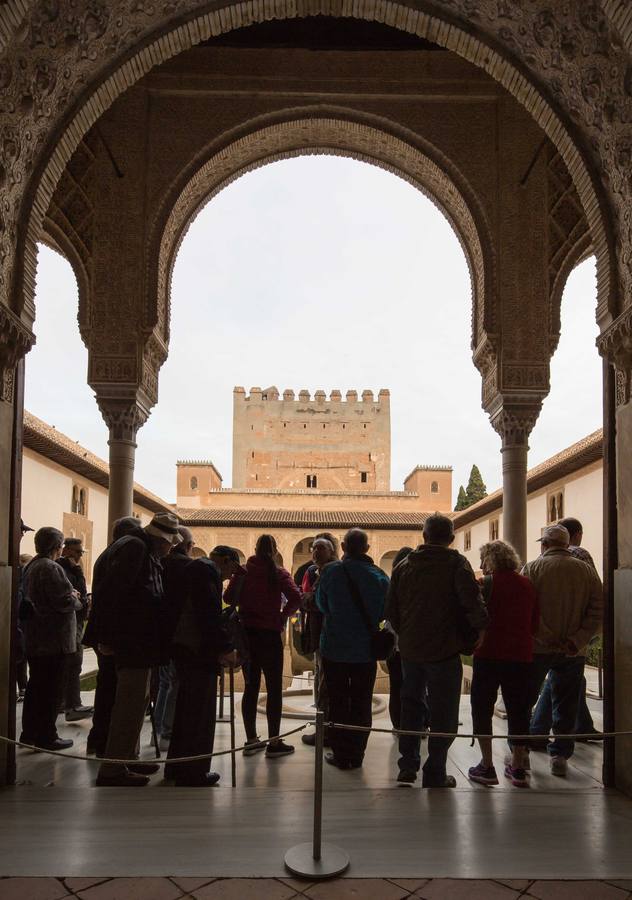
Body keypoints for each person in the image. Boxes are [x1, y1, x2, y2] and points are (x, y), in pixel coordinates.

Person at [386, 513, 488, 787]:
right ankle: (435, 771)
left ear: (424, 536)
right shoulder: (456, 563)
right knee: (443, 711)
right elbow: (472, 602)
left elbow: (391, 611)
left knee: (411, 706)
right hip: (445, 650)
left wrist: (406, 634)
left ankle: (407, 765)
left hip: (411, 650)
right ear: (452, 539)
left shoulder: (404, 566)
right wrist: (480, 630)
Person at [96, 512, 182, 787]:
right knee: (128, 703)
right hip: (131, 641)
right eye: (170, 542)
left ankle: (127, 759)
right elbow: (114, 594)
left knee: (137, 701)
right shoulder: (135, 547)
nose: (172, 547)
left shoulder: (140, 547)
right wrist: (108, 637)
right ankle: (113, 769)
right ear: (161, 539)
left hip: (137, 641)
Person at [522, 523, 603, 777]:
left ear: (544, 545)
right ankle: (560, 757)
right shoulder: (586, 572)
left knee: (525, 700)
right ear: (567, 545)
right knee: (566, 705)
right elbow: (597, 610)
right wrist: (575, 640)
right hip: (573, 651)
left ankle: (521, 753)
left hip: (537, 648)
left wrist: (547, 638)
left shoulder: (532, 568)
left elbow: (526, 611)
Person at [316, 528, 389, 769]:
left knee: (337, 702)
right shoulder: (379, 576)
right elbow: (384, 613)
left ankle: (340, 753)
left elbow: (321, 605)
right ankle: (357, 754)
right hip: (365, 651)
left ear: (344, 547)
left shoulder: (330, 572)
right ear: (367, 549)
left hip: (335, 648)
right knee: (361, 702)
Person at [468, 540, 539, 788]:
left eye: (483, 560)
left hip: (488, 655)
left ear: (491, 560)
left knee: (481, 706)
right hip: (521, 656)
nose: (480, 565)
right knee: (519, 709)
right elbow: (535, 624)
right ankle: (518, 767)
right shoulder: (528, 585)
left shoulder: (484, 584)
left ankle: (487, 765)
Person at [224, 533, 302, 758]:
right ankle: (274, 742)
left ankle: (250, 740)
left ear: (256, 549)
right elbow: (296, 598)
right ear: (275, 550)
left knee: (251, 687)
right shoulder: (278, 573)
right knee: (274, 689)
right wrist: (282, 616)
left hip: (247, 635)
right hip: (269, 636)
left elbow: (229, 599)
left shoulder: (243, 573)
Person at [166, 551, 236, 786]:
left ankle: (176, 768)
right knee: (200, 713)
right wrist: (225, 648)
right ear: (226, 561)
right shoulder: (206, 572)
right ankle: (193, 772)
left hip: (185, 650)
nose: (229, 578)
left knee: (186, 710)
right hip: (199, 653)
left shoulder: (198, 569)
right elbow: (207, 616)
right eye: (231, 571)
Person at [83, 516, 143, 757]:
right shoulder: (125, 552)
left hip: (106, 635)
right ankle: (112, 751)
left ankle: (101, 741)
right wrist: (108, 638)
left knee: (107, 689)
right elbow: (114, 595)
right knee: (115, 692)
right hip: (113, 638)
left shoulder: (108, 553)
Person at [19, 526, 83, 751]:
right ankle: (47, 735)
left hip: (35, 638)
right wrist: (76, 597)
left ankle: (29, 733)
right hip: (54, 640)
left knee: (36, 688)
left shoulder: (31, 566)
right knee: (51, 691)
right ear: (57, 546)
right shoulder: (51, 568)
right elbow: (64, 602)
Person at [153, 526, 196, 751]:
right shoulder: (186, 566)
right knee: (175, 683)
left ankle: (158, 729)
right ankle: (167, 733)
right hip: (179, 633)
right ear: (187, 546)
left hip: (161, 632)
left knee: (164, 682)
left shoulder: (160, 563)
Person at [300, 536, 338, 747]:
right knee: (323, 682)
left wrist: (306, 598)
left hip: (328, 637)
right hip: (325, 637)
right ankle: (330, 730)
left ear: (332, 551)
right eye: (313, 548)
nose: (314, 552)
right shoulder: (318, 572)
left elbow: (317, 602)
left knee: (325, 686)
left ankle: (324, 733)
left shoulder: (330, 573)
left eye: (320, 548)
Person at [57, 537, 93, 722]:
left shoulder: (68, 569)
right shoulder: (62, 569)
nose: (80, 555)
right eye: (77, 551)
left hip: (74, 623)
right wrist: (82, 601)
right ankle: (72, 705)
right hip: (69, 625)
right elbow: (71, 596)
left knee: (72, 664)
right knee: (72, 663)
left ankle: (67, 703)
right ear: (65, 550)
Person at [385, 547, 413, 731]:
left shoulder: (391, 585)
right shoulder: (419, 585)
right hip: (415, 645)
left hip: (394, 645)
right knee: (416, 687)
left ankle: (398, 725)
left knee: (396, 686)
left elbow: (387, 613)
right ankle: (418, 725)